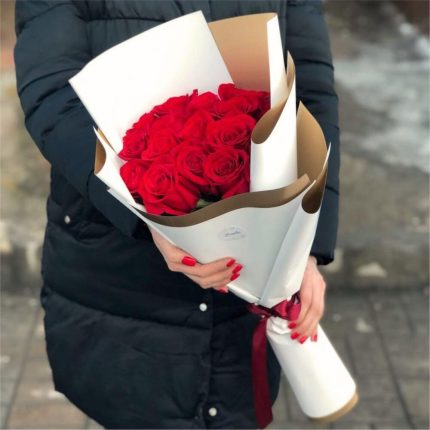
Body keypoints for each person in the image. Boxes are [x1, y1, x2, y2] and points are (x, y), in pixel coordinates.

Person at [14, 0, 339, 428]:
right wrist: (148, 215)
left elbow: (311, 92)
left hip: (251, 281)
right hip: (120, 270)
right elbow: (53, 96)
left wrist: (305, 244)